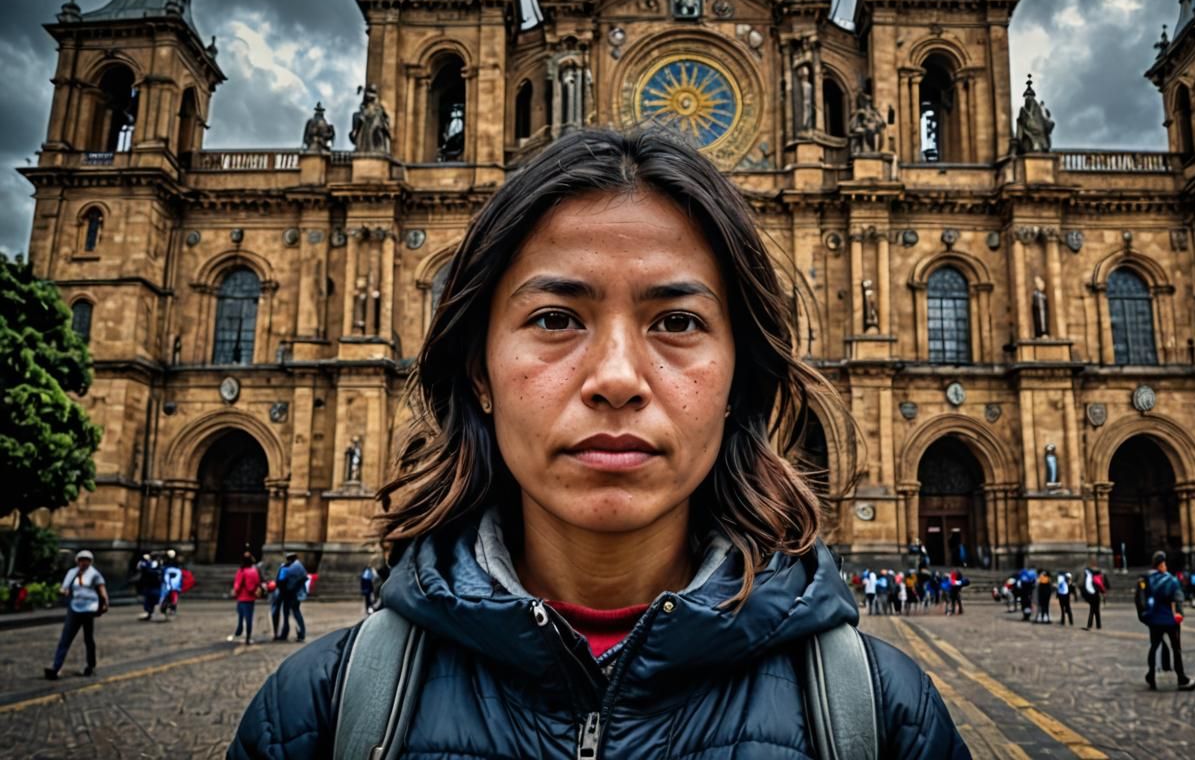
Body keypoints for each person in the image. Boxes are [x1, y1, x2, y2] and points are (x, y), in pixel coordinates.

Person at [230, 128, 967, 759]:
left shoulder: (879, 718)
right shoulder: (320, 715)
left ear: (742, 376)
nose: (616, 380)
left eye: (678, 322)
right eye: (555, 318)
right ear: (477, 369)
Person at [45, 549, 108, 680]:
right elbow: (65, 587)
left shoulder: (94, 574)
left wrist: (104, 605)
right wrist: (63, 591)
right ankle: (56, 668)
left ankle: (91, 665)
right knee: (65, 638)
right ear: (77, 561)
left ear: (90, 562)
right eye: (81, 560)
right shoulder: (72, 573)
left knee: (88, 639)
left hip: (89, 609)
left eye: (87, 560)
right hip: (74, 608)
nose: (84, 562)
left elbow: (102, 591)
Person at [1141, 551, 1195, 692]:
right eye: (1164, 563)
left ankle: (1151, 676)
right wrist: (1179, 614)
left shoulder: (1148, 579)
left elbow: (1144, 599)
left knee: (1153, 648)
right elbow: (1178, 599)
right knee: (1176, 649)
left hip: (1154, 621)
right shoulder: (1171, 580)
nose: (1165, 566)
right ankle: (1181, 678)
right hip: (1170, 621)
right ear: (1161, 565)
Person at [231, 553, 262, 644]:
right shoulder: (254, 571)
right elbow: (257, 582)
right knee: (249, 618)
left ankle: (239, 631)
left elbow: (237, 585)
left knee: (241, 615)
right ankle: (248, 637)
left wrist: (235, 592)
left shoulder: (242, 571)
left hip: (242, 598)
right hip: (251, 598)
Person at [277, 552, 308, 642]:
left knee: (291, 613)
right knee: (295, 613)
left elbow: (281, 579)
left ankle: (289, 633)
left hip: (291, 594)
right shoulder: (299, 566)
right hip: (296, 594)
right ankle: (300, 633)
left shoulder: (290, 568)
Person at [134, 552, 161, 621]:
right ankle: (150, 613)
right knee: (149, 599)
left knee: (154, 599)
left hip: (154, 584)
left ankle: (154, 613)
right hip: (150, 584)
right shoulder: (146, 563)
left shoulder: (156, 564)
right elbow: (140, 568)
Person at [159, 550, 183, 619]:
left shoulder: (168, 566)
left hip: (171, 584)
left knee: (170, 598)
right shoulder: (175, 566)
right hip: (173, 585)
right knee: (171, 598)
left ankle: (169, 610)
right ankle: (169, 610)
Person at [1082, 561, 1103, 630]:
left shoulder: (1091, 577)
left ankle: (1089, 625)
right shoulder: (1094, 576)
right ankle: (1098, 625)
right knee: (1096, 610)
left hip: (1094, 595)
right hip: (1095, 595)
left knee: (1093, 611)